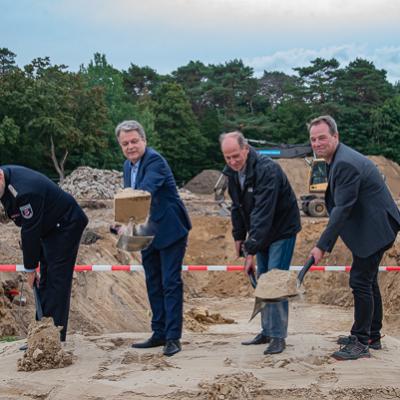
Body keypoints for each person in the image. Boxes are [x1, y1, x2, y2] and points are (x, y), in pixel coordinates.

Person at [308, 115, 400, 361]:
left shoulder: (344, 163)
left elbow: (342, 209)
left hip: (377, 227)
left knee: (360, 281)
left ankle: (360, 342)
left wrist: (321, 246)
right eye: (313, 139)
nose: (317, 143)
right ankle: (373, 335)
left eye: (322, 138)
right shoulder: (336, 159)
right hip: (375, 224)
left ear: (335, 137)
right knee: (368, 281)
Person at [220, 131, 301, 355]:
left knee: (275, 279)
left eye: (236, 156)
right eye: (227, 158)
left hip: (282, 229)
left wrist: (250, 251)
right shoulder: (232, 174)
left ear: (246, 149)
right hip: (262, 230)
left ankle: (278, 336)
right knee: (263, 279)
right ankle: (267, 330)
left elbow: (262, 213)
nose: (233, 161)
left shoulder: (267, 170)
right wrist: (239, 236)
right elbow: (237, 208)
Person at [116, 120, 191, 357]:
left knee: (170, 283)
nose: (130, 146)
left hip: (170, 229)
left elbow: (143, 193)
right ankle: (158, 332)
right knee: (153, 283)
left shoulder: (155, 161)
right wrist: (123, 224)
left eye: (134, 141)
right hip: (147, 230)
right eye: (125, 143)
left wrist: (124, 222)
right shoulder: (128, 166)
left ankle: (172, 338)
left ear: (144, 141)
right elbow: (131, 197)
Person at [0, 165, 88, 342]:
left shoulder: (24, 191)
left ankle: (53, 338)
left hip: (66, 224)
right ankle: (42, 333)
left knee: (57, 279)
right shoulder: (6, 183)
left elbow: (30, 230)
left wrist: (31, 268)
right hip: (47, 225)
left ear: (0, 177)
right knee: (46, 280)